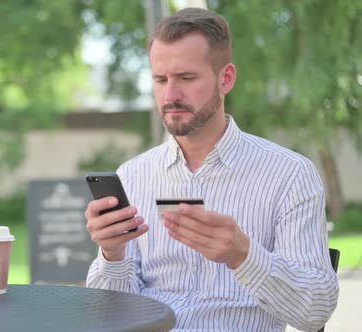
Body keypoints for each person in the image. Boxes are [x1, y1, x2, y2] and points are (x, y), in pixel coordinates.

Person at [85, 8, 338, 332]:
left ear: (226, 78)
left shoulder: (289, 175)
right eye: (160, 79)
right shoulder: (133, 176)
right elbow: (111, 319)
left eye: (187, 78)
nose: (170, 95)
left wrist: (243, 255)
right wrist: (112, 254)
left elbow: (315, 312)